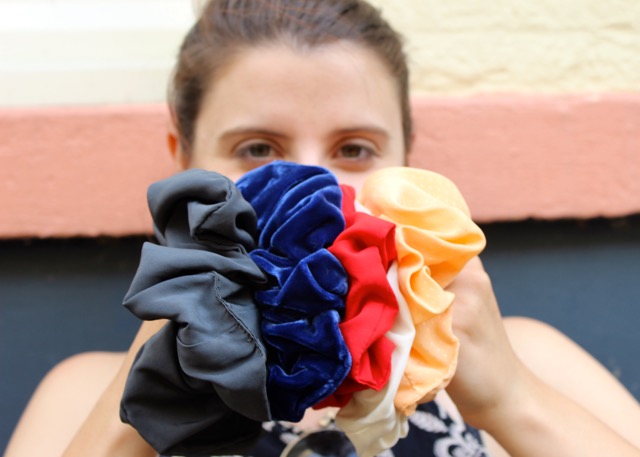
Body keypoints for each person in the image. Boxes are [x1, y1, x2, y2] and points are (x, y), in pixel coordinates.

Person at [4, 0, 640, 456]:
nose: (314, 191)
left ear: (408, 161)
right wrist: (141, 404)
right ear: (185, 161)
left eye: (355, 150)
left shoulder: (532, 360)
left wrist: (513, 401)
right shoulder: (81, 393)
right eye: (257, 149)